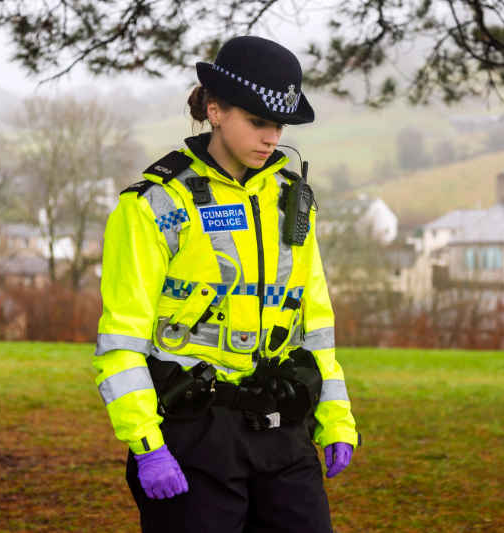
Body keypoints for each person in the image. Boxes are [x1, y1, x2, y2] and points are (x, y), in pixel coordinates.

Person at [93, 35, 359, 532]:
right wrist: (148, 445)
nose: (271, 137)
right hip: (194, 435)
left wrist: (336, 418)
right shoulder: (155, 204)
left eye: (278, 124)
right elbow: (120, 341)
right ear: (215, 111)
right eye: (258, 121)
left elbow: (315, 324)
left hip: (283, 428)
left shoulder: (293, 202)